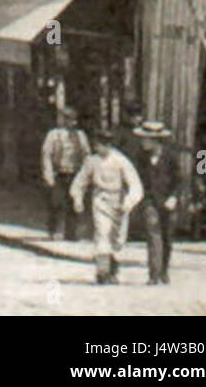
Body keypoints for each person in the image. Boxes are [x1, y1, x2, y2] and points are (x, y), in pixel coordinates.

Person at [70, 129, 144, 285]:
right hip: (100, 200)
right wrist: (78, 198)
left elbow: (135, 184)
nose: (97, 149)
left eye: (100, 145)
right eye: (96, 145)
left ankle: (113, 270)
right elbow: (80, 181)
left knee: (118, 239)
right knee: (102, 233)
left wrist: (129, 202)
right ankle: (102, 272)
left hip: (118, 201)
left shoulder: (121, 161)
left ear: (108, 145)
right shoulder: (92, 161)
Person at [134, 120, 179, 285]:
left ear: (156, 140)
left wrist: (174, 197)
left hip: (168, 201)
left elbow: (179, 179)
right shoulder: (141, 157)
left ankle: (163, 270)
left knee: (167, 237)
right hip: (149, 201)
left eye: (146, 139)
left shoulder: (170, 157)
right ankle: (153, 274)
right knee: (153, 234)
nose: (143, 142)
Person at [40, 108, 90, 241]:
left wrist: (86, 174)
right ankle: (54, 230)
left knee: (74, 202)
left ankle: (71, 233)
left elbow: (86, 154)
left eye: (73, 119)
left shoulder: (80, 135)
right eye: (68, 119)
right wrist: (48, 174)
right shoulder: (54, 134)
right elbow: (46, 155)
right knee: (56, 202)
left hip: (74, 173)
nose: (71, 122)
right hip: (59, 173)